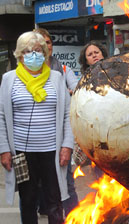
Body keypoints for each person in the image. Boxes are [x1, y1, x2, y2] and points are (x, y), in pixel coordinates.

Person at [0, 31, 73, 224]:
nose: (34, 55)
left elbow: (68, 114)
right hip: (22, 152)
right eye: (28, 51)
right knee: (28, 198)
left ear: (45, 53)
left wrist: (67, 145)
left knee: (54, 199)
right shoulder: (9, 79)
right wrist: (4, 150)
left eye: (38, 50)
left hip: (52, 151)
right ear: (19, 55)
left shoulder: (57, 78)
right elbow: (1, 116)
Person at [33, 27, 79, 217]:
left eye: (48, 42)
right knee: (36, 184)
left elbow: (77, 89)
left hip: (60, 136)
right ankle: (44, 208)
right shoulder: (25, 73)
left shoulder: (63, 70)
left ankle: (74, 216)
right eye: (40, 42)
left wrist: (65, 95)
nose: (45, 46)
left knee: (66, 180)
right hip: (34, 138)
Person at [78, 40, 108, 179]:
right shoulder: (85, 81)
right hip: (96, 133)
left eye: (97, 52)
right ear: (86, 60)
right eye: (90, 54)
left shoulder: (117, 72)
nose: (94, 55)